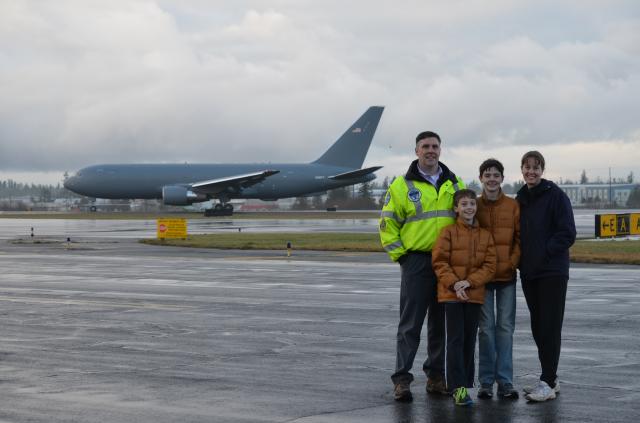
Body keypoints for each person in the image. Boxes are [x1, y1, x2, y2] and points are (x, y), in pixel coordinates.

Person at [379, 131, 465, 402]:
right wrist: (402, 257)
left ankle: (436, 377)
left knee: (440, 323)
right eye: (425, 146)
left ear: (441, 150)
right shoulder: (401, 186)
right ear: (416, 151)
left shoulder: (454, 182)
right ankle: (402, 379)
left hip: (447, 263)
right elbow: (387, 224)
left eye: (435, 146)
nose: (431, 150)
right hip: (416, 260)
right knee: (410, 323)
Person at [516, 151, 576, 402]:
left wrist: (543, 253)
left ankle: (548, 382)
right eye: (527, 167)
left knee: (550, 326)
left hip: (552, 271)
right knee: (538, 326)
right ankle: (550, 377)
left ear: (542, 170)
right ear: (521, 169)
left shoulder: (556, 196)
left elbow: (567, 233)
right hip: (529, 272)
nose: (531, 171)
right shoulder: (520, 198)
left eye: (536, 167)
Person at [432, 189, 497, 406]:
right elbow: (440, 262)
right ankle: (457, 389)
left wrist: (468, 283)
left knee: (469, 341)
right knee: (455, 340)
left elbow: (490, 266)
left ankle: (465, 386)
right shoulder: (447, 232)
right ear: (456, 209)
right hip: (451, 295)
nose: (469, 207)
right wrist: (455, 283)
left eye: (472, 203)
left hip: (473, 294)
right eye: (464, 204)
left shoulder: (485, 236)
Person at [475, 159, 521, 399]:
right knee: (485, 331)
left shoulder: (513, 206)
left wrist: (512, 262)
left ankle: (505, 382)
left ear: (502, 178)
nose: (491, 178)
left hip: (506, 278)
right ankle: (485, 382)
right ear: (481, 178)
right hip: (482, 279)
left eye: (496, 175)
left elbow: (519, 239)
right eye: (487, 174)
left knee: (505, 329)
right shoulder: (474, 205)